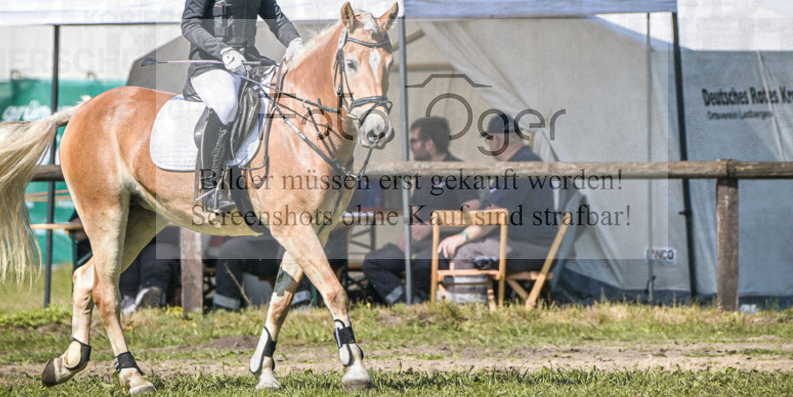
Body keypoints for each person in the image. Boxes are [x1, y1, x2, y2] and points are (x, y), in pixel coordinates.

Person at [181, 0, 304, 213]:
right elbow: (189, 24)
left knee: (288, 93)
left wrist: (295, 42)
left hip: (249, 61)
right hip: (210, 65)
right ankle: (209, 188)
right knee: (227, 102)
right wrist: (222, 51)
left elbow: (274, 15)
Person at [435, 112, 560, 303]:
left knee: (467, 253)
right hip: (518, 244)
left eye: (489, 140)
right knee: (446, 250)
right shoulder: (517, 164)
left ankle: (468, 316)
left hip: (533, 247)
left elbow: (494, 216)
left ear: (497, 140)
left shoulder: (523, 165)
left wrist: (462, 236)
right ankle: (450, 306)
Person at [361, 116, 479, 305]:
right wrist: (406, 234)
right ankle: (405, 303)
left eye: (413, 141)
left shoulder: (458, 170)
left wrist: (433, 227)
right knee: (374, 262)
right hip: (417, 244)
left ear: (429, 143)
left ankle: (422, 304)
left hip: (444, 245)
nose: (410, 146)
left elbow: (472, 215)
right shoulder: (424, 172)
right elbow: (414, 209)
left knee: (423, 263)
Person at [211, 225, 351, 312]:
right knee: (229, 251)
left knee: (293, 247)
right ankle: (225, 313)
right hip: (264, 241)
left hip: (306, 241)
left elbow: (339, 219)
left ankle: (300, 309)